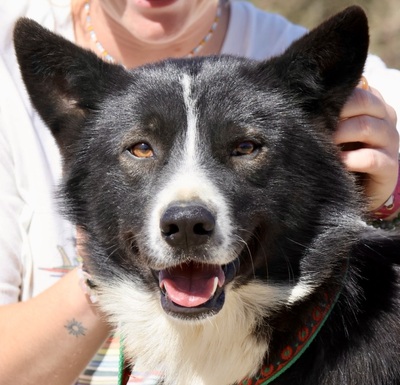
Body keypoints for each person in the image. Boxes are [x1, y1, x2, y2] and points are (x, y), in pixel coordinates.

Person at [0, 0, 398, 384]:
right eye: (141, 148)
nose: (187, 213)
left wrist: (389, 192)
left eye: (244, 148)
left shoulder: (281, 50)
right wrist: (101, 270)